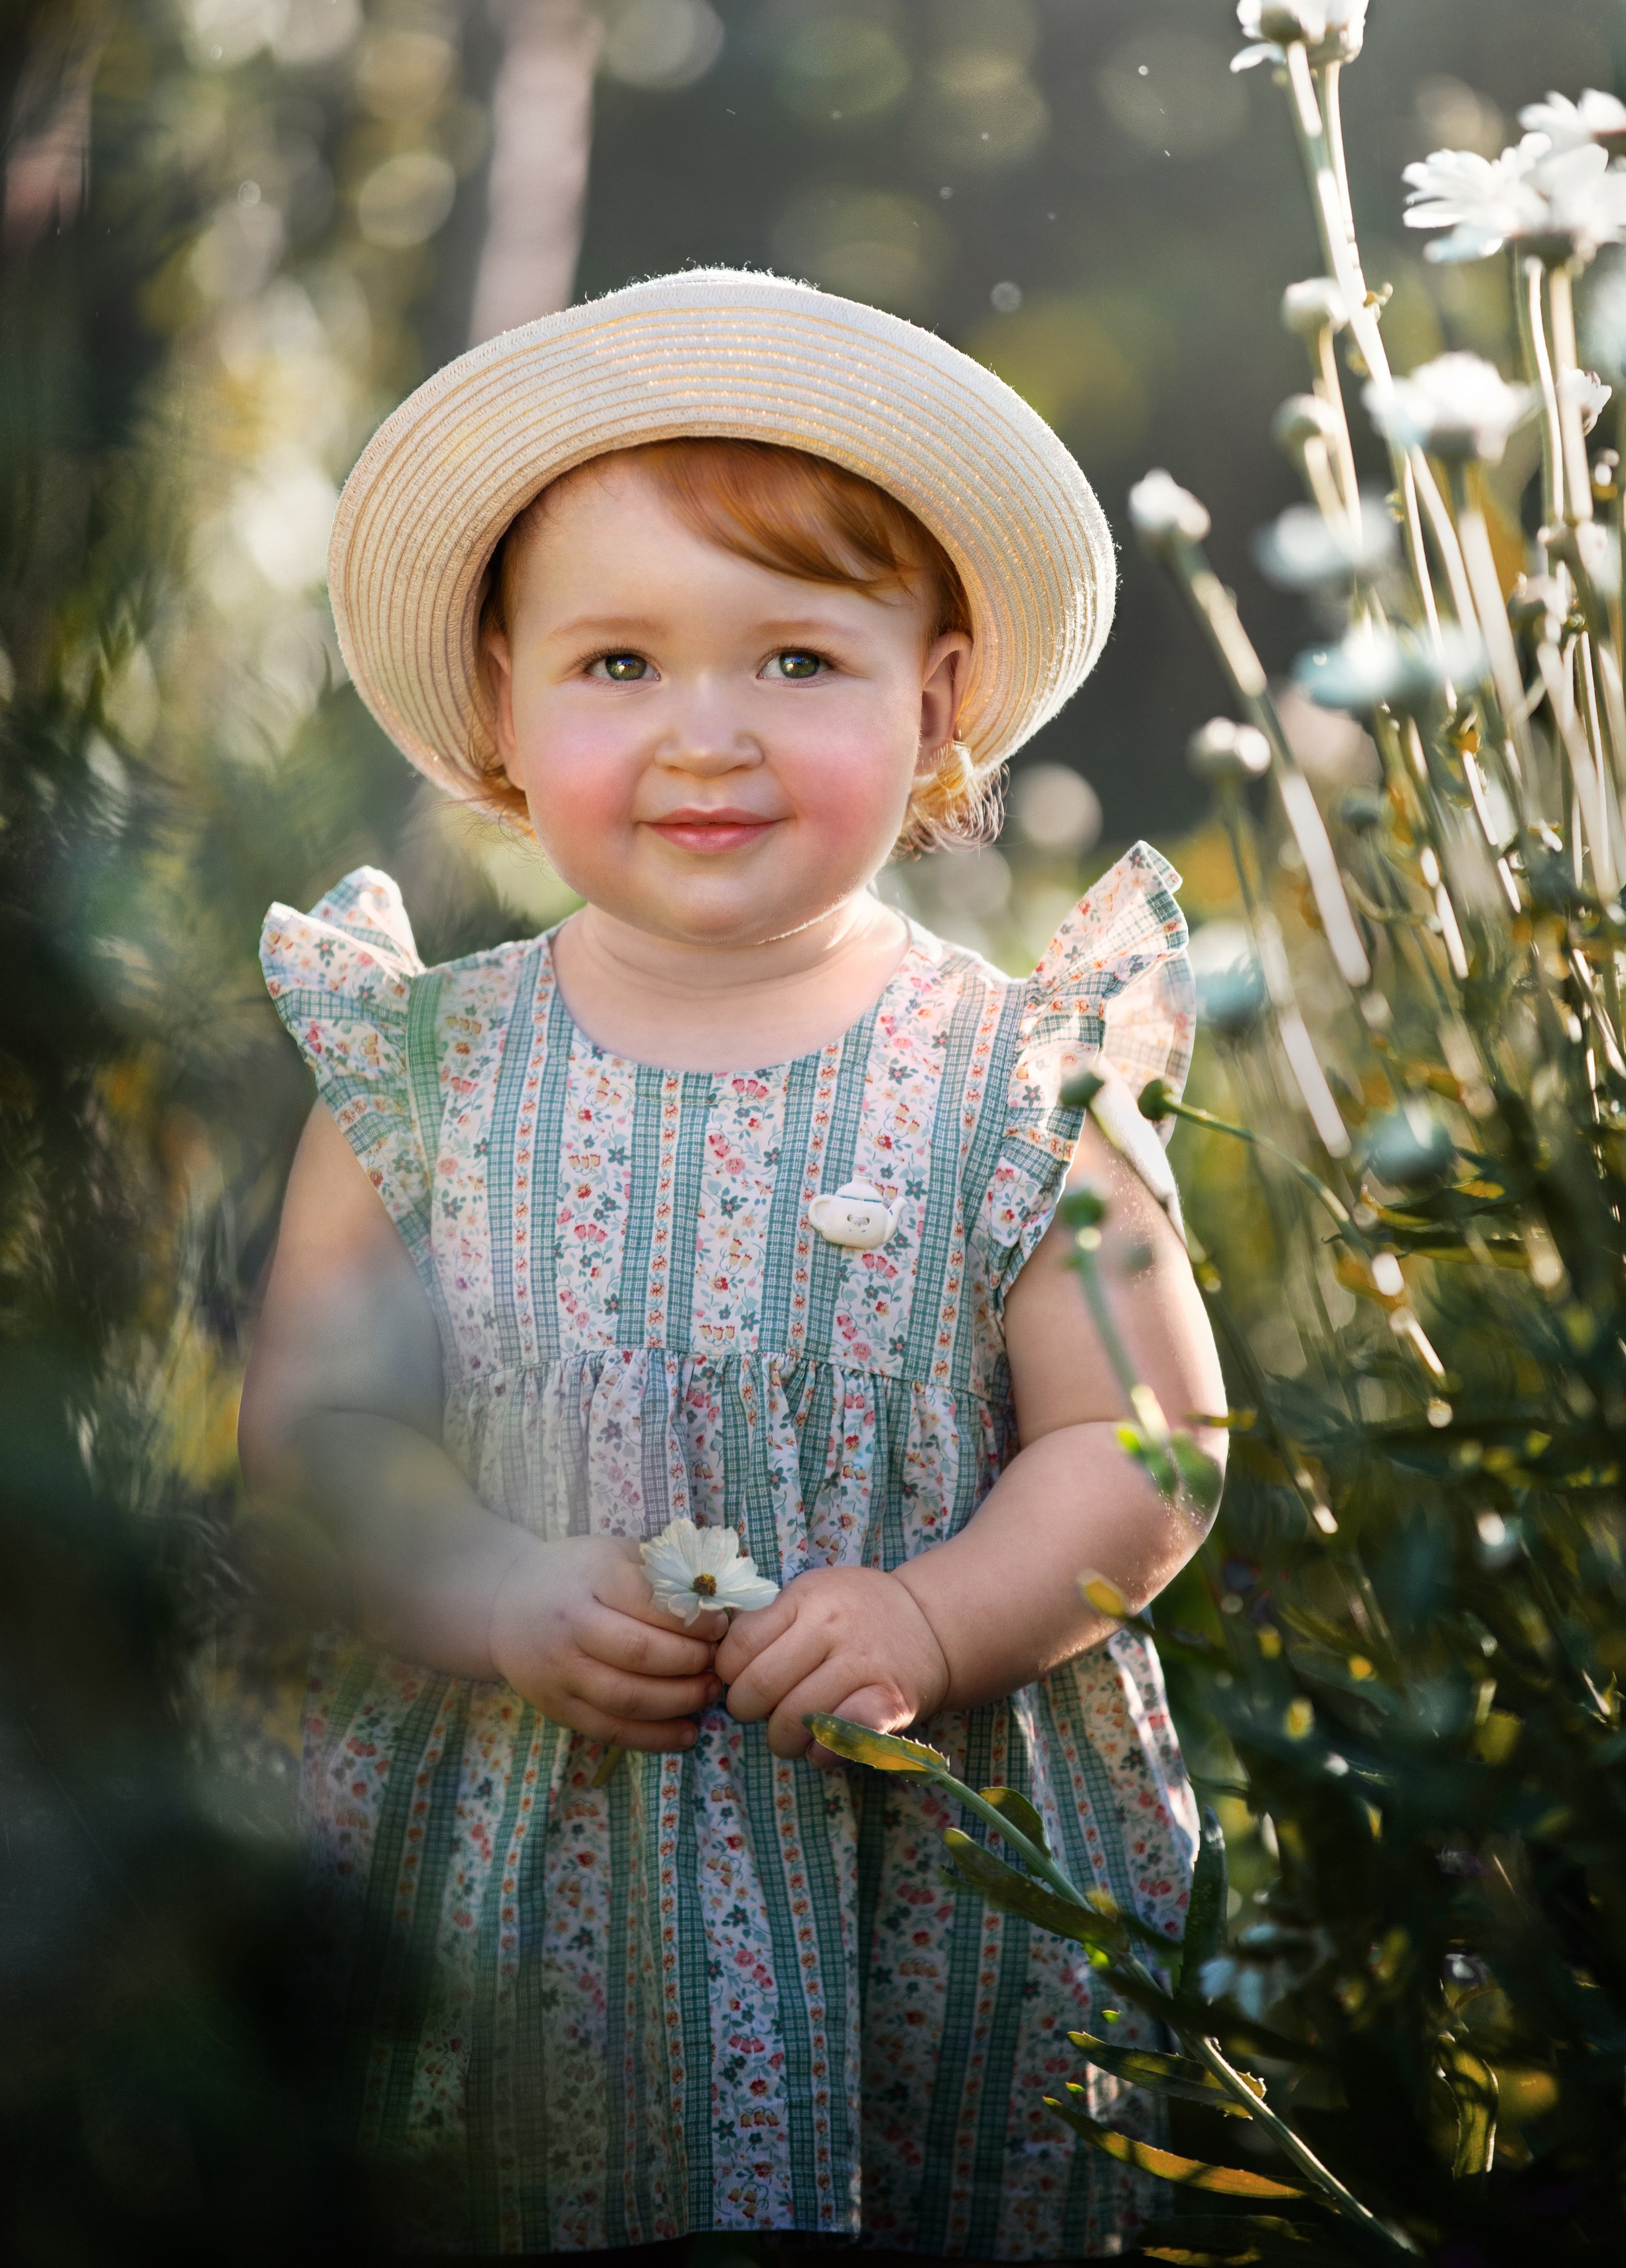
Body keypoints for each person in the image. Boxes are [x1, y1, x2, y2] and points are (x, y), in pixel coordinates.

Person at [240, 269, 1228, 2261]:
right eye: (616, 665)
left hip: (919, 1903)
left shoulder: (1023, 1078)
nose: (708, 737)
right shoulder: (415, 1069)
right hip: (514, 1874)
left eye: (796, 658)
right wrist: (492, 1581)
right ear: (498, 712)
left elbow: (1154, 1443)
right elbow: (318, 1429)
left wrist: (942, 1621)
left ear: (937, 698)